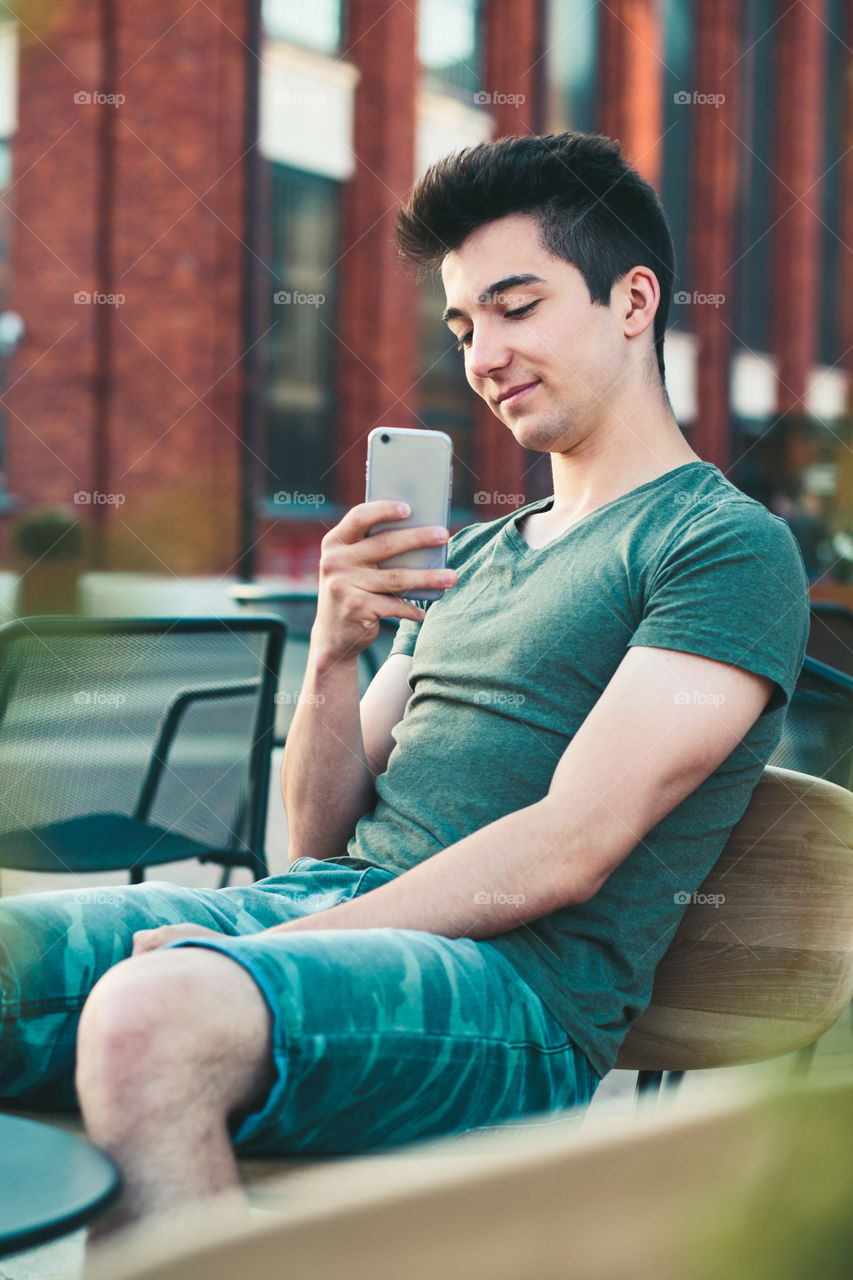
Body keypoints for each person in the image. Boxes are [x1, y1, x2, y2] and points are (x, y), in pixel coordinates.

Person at [0, 132, 809, 1234]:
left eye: (517, 306)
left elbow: (569, 845)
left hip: (516, 1001)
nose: (482, 354)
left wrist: (261, 949)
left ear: (631, 300)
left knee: (153, 1015)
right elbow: (321, 845)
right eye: (465, 324)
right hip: (341, 919)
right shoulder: (471, 555)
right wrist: (335, 652)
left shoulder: (718, 546)